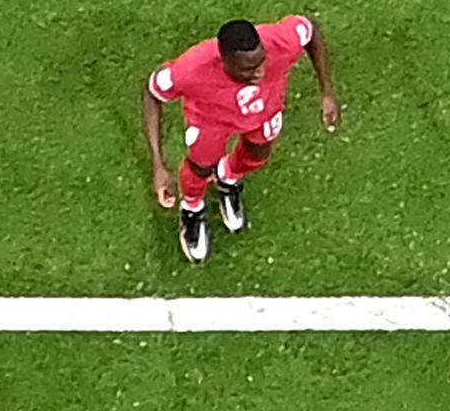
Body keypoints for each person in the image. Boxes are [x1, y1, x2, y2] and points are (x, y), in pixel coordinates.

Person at [144, 13, 341, 263]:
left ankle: (227, 178)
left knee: (259, 154)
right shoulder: (192, 69)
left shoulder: (279, 42)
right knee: (201, 166)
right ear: (224, 60)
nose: (259, 72)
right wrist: (159, 166)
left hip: (264, 109)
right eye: (248, 68)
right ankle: (192, 208)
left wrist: (327, 92)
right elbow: (153, 93)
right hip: (211, 119)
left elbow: (310, 28)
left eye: (261, 62)